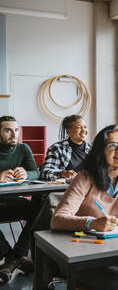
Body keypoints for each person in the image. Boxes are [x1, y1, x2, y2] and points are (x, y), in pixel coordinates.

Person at [50, 124, 118, 289]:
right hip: (83, 249)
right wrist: (91, 223)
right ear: (100, 151)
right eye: (112, 145)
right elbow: (57, 220)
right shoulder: (85, 177)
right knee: (116, 283)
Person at [0, 115, 40, 283]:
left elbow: (36, 172)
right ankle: (14, 258)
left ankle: (14, 258)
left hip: (14, 201)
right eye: (8, 130)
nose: (14, 134)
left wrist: (26, 173)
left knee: (40, 210)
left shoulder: (24, 149)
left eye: (16, 130)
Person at [40, 114, 91, 180]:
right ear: (68, 131)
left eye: (85, 127)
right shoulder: (57, 149)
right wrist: (62, 174)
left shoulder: (92, 148)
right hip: (66, 188)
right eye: (79, 127)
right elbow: (44, 173)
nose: (84, 130)